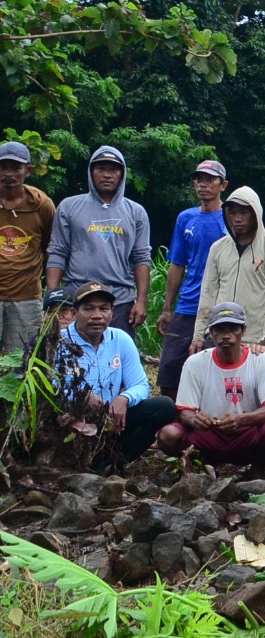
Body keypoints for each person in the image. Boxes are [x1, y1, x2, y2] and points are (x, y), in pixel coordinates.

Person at [54, 283, 176, 465]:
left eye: (104, 309)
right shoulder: (58, 341)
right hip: (70, 421)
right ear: (74, 313)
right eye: (88, 309)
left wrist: (124, 399)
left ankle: (113, 463)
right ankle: (71, 462)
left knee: (163, 407)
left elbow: (141, 384)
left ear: (112, 312)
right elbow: (51, 387)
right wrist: (81, 397)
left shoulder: (120, 339)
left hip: (111, 420)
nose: (97, 316)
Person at [159, 302, 265, 469]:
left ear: (243, 331)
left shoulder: (262, 360)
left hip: (247, 432)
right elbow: (185, 411)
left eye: (233, 329)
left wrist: (241, 420)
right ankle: (200, 465)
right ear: (211, 333)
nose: (226, 335)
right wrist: (196, 420)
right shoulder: (195, 362)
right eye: (219, 329)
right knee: (168, 435)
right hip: (209, 433)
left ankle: (257, 469)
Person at [45, 146, 151, 333]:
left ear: (122, 173)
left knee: (115, 357)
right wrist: (54, 298)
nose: (107, 175)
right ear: (91, 172)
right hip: (77, 299)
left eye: (113, 169)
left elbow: (141, 258)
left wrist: (142, 301)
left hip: (120, 301)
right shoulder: (69, 207)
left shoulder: (136, 212)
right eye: (101, 168)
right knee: (72, 356)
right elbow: (57, 252)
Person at [153, 161, 228, 395]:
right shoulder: (186, 218)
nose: (203, 184)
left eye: (210, 179)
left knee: (214, 370)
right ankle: (169, 422)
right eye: (199, 179)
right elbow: (177, 264)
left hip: (219, 306)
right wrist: (167, 308)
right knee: (170, 368)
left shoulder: (231, 219)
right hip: (186, 305)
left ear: (223, 185)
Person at [191, 187, 265, 355]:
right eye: (233, 213)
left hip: (254, 340)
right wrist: (199, 334)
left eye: (244, 213)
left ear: (256, 214)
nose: (237, 218)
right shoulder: (218, 248)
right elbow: (208, 293)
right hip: (219, 336)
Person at [0, 141, 55, 357]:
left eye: (15, 167)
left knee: (23, 362)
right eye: (3, 167)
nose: (8, 174)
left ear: (28, 171)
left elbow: (51, 249)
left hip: (26, 296)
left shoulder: (41, 205)